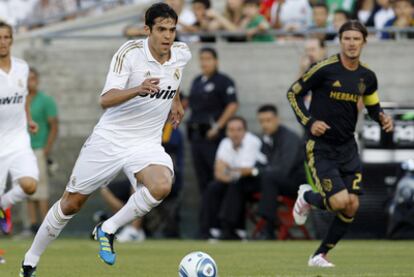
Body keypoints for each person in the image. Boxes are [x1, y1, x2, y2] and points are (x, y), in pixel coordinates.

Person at [21, 3, 191, 276]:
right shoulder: (129, 54)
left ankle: (109, 228)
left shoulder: (181, 54)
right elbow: (105, 99)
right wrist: (138, 89)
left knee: (161, 185)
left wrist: (176, 101)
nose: (168, 36)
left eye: (172, 30)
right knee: (71, 204)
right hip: (110, 140)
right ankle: (31, 258)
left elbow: (174, 76)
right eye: (161, 29)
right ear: (147, 30)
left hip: (145, 143)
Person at [287, 20, 393, 267]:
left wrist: (382, 118)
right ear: (340, 41)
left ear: (364, 42)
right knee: (338, 201)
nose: (352, 43)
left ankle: (319, 255)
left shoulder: (367, 76)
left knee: (351, 205)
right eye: (347, 38)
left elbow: (372, 104)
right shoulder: (324, 69)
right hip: (321, 147)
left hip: (348, 147)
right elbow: (293, 93)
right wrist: (309, 121)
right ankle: (307, 196)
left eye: (357, 39)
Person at [0, 21, 38, 235]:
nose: (3, 42)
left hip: (18, 141)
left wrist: (29, 119)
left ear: (12, 40)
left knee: (30, 185)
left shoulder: (22, 67)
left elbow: (22, 99)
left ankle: (4, 203)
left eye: (6, 37)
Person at [187, 47, 238, 197]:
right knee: (202, 178)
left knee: (216, 176)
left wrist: (217, 126)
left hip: (213, 137)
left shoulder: (224, 81)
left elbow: (232, 104)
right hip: (196, 136)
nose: (204, 63)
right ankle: (207, 217)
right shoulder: (197, 81)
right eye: (202, 59)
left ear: (216, 61)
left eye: (208, 59)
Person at [200, 116, 261, 239]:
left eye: (239, 129)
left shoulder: (252, 141)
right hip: (235, 181)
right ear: (227, 132)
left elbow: (247, 171)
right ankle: (210, 228)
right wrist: (229, 173)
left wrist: (228, 169)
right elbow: (218, 173)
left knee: (235, 186)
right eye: (231, 130)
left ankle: (230, 229)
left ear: (245, 131)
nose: (235, 133)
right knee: (213, 187)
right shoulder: (225, 143)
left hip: (256, 181)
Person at [255, 104, 306, 239]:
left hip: (295, 184)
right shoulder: (264, 139)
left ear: (277, 119)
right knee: (240, 181)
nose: (265, 125)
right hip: (273, 181)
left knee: (269, 178)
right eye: (261, 121)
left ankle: (268, 227)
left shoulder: (290, 138)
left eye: (268, 120)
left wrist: (257, 171)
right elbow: (259, 163)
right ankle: (233, 229)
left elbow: (284, 169)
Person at [26, 67, 58, 235]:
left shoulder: (45, 100)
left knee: (42, 189)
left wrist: (47, 148)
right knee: (26, 188)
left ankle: (46, 225)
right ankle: (32, 224)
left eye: (33, 78)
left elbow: (54, 125)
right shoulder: (21, 100)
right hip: (23, 150)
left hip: (38, 149)